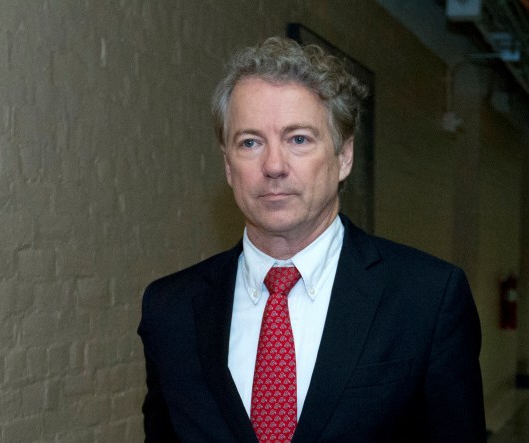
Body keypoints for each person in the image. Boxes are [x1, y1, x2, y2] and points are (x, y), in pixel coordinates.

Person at [138, 36, 486, 442]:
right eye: (250, 142)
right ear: (229, 166)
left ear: (344, 156)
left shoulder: (426, 299)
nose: (273, 165)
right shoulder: (171, 310)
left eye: (298, 139)